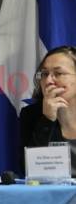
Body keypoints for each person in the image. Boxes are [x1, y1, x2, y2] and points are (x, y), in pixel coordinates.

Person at [19, 46, 76, 177]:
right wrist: (47, 120)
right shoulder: (31, 115)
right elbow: (28, 170)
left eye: (58, 73)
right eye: (44, 74)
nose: (49, 81)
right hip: (53, 195)